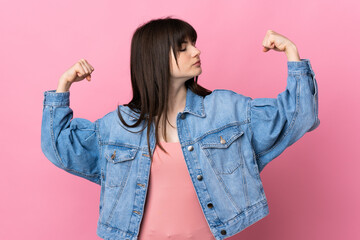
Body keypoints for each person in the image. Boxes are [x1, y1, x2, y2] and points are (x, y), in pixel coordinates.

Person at [41, 16, 320, 240]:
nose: (197, 51)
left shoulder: (225, 109)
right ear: (156, 58)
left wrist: (292, 54)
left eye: (194, 44)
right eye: (183, 47)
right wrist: (63, 86)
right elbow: (59, 147)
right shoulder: (120, 126)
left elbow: (298, 116)